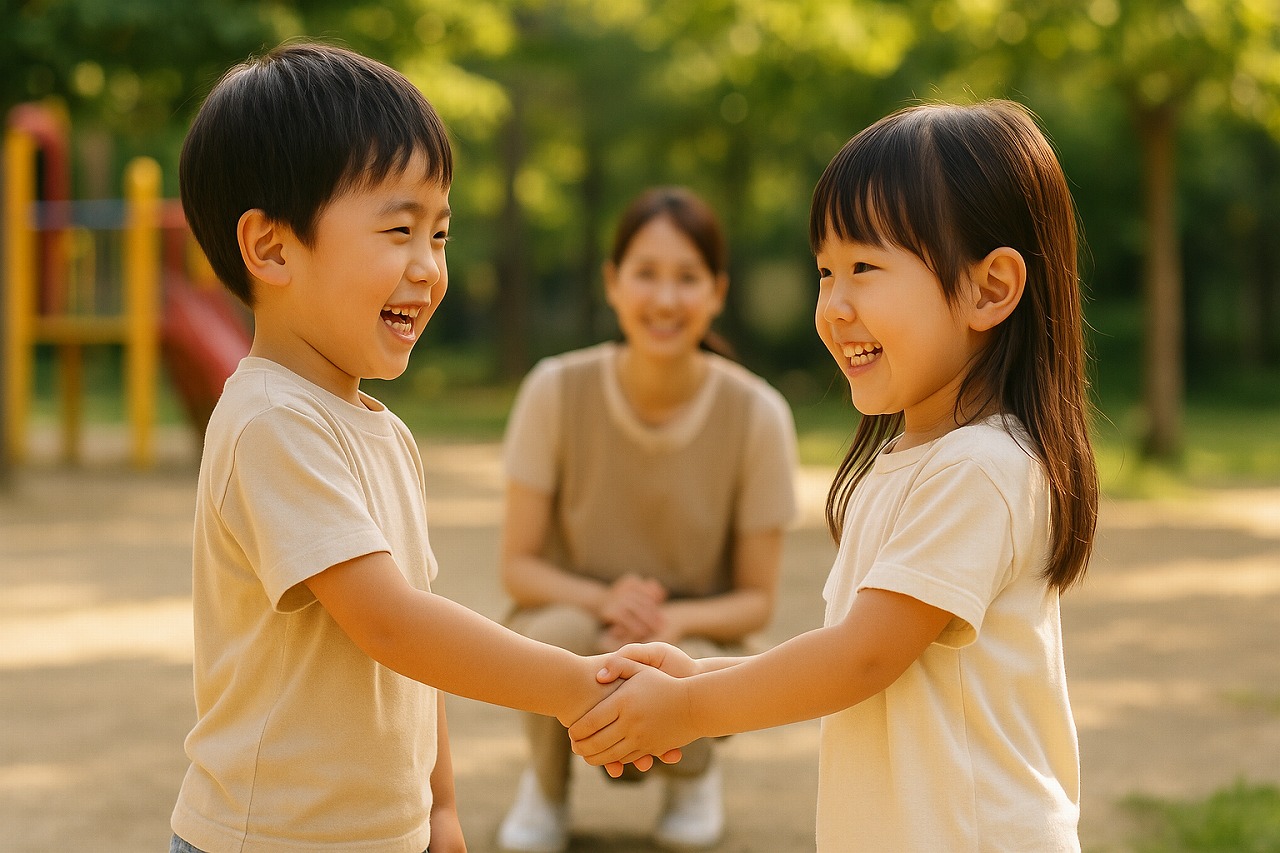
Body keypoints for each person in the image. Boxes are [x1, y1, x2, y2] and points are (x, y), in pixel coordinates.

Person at [168, 42, 665, 853]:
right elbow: (391, 624)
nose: (429, 268)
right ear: (272, 248)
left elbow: (416, 647)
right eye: (399, 230)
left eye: (439, 234)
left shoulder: (382, 432)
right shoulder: (271, 422)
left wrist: (437, 807)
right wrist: (578, 685)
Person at [569, 100, 1100, 852]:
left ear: (990, 288)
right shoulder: (916, 461)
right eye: (825, 271)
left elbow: (861, 657)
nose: (834, 306)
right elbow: (854, 652)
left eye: (864, 269)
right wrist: (694, 678)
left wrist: (689, 709)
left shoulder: (982, 469)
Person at [496, 186, 799, 851]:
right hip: (577, 614)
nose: (666, 300)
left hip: (695, 635)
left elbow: (756, 599)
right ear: (612, 282)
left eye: (687, 278)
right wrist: (608, 599)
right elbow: (518, 566)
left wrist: (675, 621)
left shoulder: (758, 414)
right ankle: (546, 786)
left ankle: (692, 777)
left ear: (717, 292)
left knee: (684, 658)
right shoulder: (554, 388)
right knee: (558, 633)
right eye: (646, 273)